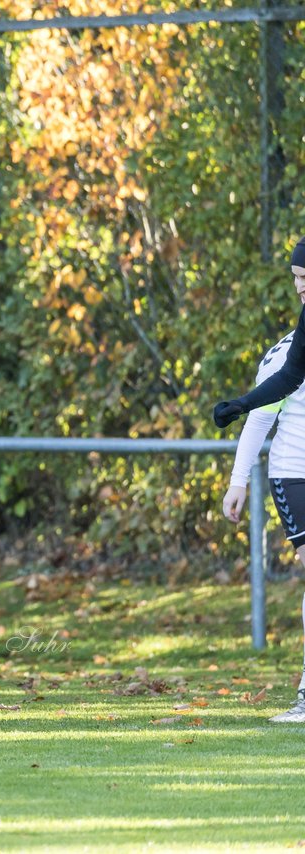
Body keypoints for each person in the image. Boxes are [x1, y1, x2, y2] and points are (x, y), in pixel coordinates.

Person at [219, 237, 305, 723]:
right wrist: (238, 481)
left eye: (304, 278)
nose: (299, 288)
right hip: (295, 475)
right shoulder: (285, 354)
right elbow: (258, 419)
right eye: (295, 279)